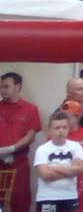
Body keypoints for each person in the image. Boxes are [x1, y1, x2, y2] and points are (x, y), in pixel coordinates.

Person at [0, 71, 41, 212]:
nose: (2, 90)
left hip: (18, 162)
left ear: (17, 87)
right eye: (1, 87)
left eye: (6, 86)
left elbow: (31, 135)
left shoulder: (30, 109)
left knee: (19, 200)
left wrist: (12, 149)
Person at [33, 111, 83, 212]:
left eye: (64, 127)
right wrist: (71, 169)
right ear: (50, 130)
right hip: (47, 197)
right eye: (57, 128)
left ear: (68, 129)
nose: (61, 131)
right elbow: (46, 175)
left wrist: (54, 167)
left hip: (69, 196)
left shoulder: (76, 147)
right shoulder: (42, 149)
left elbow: (81, 169)